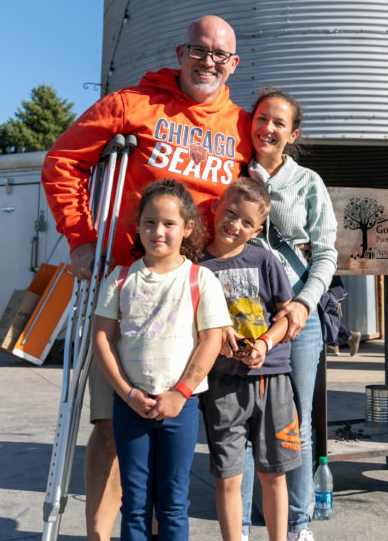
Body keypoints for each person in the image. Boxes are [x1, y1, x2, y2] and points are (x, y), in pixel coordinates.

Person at [42, 15, 250, 541]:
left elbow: (259, 201)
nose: (208, 62)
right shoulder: (134, 103)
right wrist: (82, 237)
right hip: (127, 288)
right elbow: (63, 159)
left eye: (219, 55)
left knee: (172, 427)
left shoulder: (242, 126)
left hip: (194, 294)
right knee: (112, 425)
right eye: (198, 51)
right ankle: (100, 534)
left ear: (233, 64)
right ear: (180, 54)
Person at [92, 180, 232, 540]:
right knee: (135, 503)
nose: (159, 231)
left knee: (172, 502)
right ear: (137, 226)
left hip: (180, 407)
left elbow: (210, 340)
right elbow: (103, 339)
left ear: (187, 228)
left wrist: (180, 393)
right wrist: (127, 394)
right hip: (130, 406)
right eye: (150, 222)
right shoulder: (120, 279)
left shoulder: (202, 279)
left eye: (169, 223)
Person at [245, 88, 338, 541]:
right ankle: (241, 524)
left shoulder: (308, 183)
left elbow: (326, 254)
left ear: (292, 133)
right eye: (262, 118)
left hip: (299, 320)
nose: (268, 128)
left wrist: (304, 303)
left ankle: (299, 524)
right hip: (246, 318)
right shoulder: (235, 174)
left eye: (279, 122)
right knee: (243, 424)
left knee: (295, 422)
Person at [199, 178, 301, 541]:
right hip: (222, 384)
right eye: (229, 213)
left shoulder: (265, 259)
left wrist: (265, 344)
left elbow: (287, 314)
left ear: (258, 229)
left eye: (246, 222)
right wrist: (214, 333)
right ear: (215, 208)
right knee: (227, 477)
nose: (234, 225)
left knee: (274, 474)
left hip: (273, 380)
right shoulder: (195, 266)